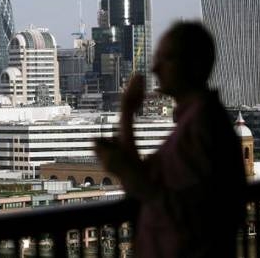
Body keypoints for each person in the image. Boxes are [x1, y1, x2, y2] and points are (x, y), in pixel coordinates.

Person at [95, 21, 247, 258]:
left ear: (194, 65)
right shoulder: (197, 121)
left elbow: (153, 194)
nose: (155, 68)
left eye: (166, 58)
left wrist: (121, 162)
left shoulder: (199, 127)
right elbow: (148, 183)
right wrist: (126, 114)